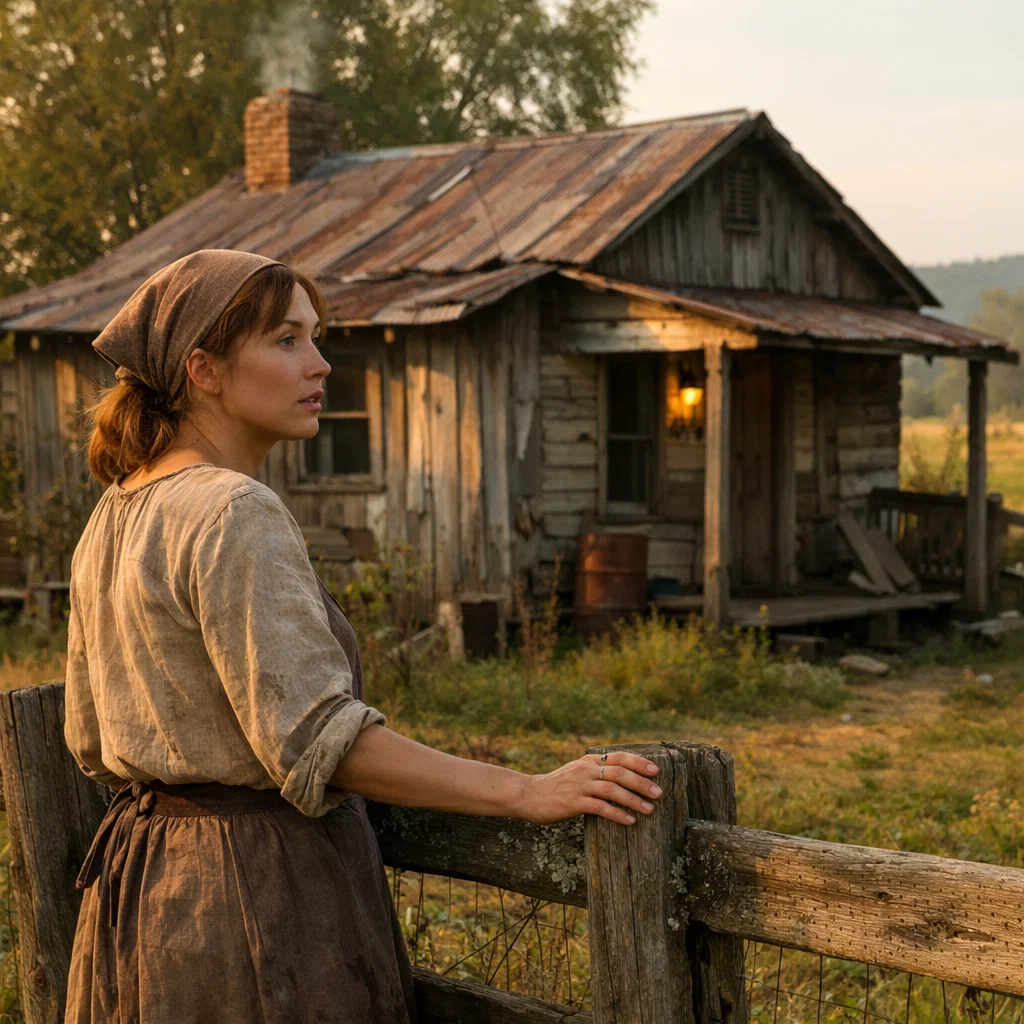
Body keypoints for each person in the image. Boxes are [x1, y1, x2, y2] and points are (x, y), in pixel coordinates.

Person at [64, 249, 664, 1023]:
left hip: (143, 893)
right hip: (260, 903)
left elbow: (86, 738)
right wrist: (528, 790)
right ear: (204, 370)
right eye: (286, 340)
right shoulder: (231, 510)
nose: (320, 365)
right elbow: (318, 740)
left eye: (314, 338)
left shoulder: (118, 510)